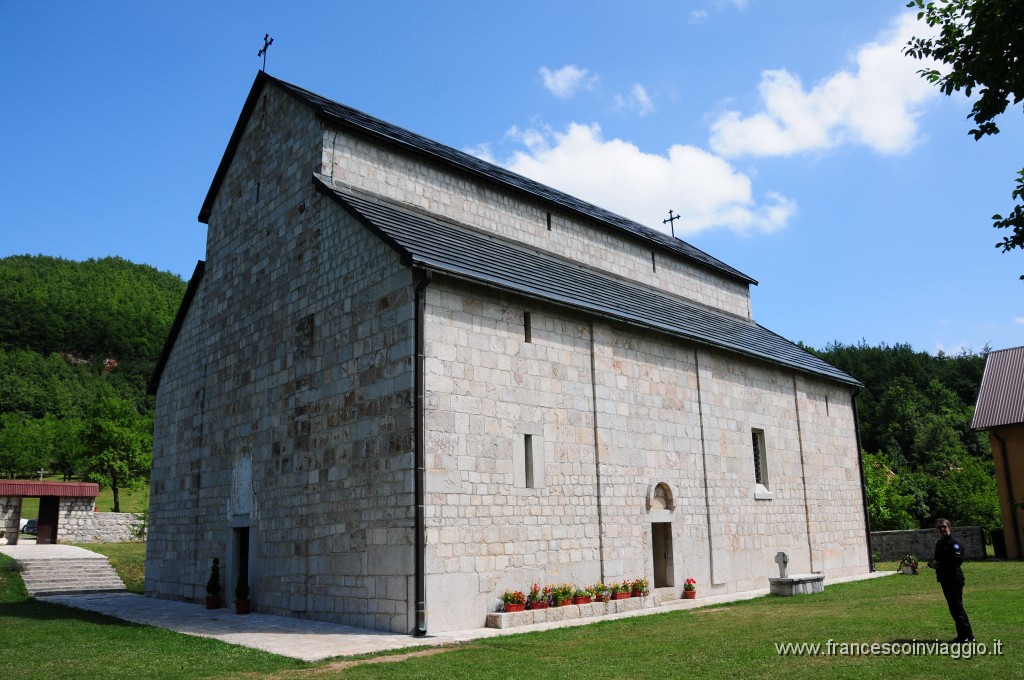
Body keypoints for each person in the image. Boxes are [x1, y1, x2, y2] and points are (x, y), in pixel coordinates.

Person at [927, 518, 974, 642]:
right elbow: (937, 559)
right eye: (939, 527)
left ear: (949, 527)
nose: (942, 529)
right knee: (953, 608)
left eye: (944, 527)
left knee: (957, 607)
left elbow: (957, 560)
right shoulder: (940, 543)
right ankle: (963, 635)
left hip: (954, 578)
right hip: (944, 579)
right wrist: (931, 564)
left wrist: (940, 564)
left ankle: (967, 636)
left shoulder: (954, 542)